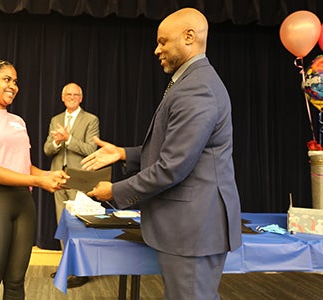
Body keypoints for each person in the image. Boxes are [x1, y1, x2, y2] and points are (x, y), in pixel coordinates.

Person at [82, 8, 242, 300]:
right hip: (190, 228)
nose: (157, 50)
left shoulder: (197, 88)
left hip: (192, 229)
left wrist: (114, 191)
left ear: (189, 37)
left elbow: (172, 166)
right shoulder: (192, 82)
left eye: (163, 41)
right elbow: (174, 148)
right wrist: (122, 154)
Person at [0, 59, 69, 300]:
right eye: (6, 79)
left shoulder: (18, 121)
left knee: (16, 282)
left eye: (16, 81)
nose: (13, 86)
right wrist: (40, 182)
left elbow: (23, 165)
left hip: (23, 202)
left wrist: (46, 175)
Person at [43, 82, 99, 288]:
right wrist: (57, 142)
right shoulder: (55, 120)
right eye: (69, 94)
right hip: (59, 180)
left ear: (81, 98)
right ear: (62, 97)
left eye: (76, 94)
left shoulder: (91, 120)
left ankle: (82, 271)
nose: (72, 97)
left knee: (79, 226)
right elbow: (47, 149)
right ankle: (68, 266)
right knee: (63, 225)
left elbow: (90, 149)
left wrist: (68, 139)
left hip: (80, 180)